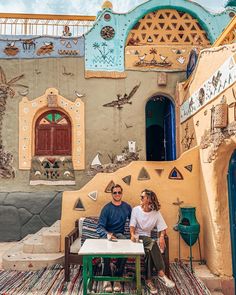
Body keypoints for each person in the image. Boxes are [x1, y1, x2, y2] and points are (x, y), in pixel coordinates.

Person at [130, 189, 175, 294]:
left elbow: (162, 227)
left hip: (148, 240)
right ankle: (161, 273)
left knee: (150, 251)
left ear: (149, 199)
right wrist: (132, 235)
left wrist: (162, 236)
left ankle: (149, 281)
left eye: (142, 197)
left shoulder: (156, 213)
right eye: (140, 196)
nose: (140, 199)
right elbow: (132, 226)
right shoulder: (136, 210)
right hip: (138, 238)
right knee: (153, 243)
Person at [97, 184, 132, 293]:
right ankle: (106, 278)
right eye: (115, 192)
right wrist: (107, 234)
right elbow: (100, 226)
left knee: (126, 247)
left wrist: (133, 233)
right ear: (112, 194)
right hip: (107, 234)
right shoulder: (107, 208)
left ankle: (117, 275)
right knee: (106, 250)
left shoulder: (127, 207)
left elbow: (133, 222)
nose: (117, 194)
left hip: (120, 234)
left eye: (119, 192)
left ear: (122, 193)